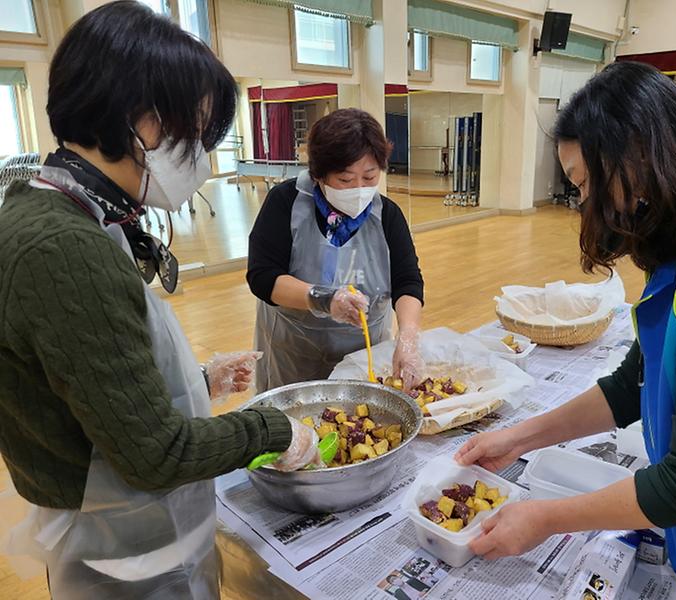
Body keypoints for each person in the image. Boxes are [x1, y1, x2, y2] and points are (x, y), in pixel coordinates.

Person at [0, 3, 319, 598]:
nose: (199, 154)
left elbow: (86, 379)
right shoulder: (63, 248)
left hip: (127, 526)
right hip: (123, 548)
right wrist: (273, 430)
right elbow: (156, 455)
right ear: (139, 120)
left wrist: (196, 382)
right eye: (193, 131)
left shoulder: (67, 211)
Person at [455, 61, 676, 598]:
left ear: (635, 155)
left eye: (584, 183)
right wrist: (516, 437)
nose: (584, 205)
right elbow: (635, 383)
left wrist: (544, 518)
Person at [248, 108, 425, 392]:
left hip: (362, 355)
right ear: (319, 174)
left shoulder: (387, 215)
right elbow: (263, 277)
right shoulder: (285, 202)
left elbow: (408, 282)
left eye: (369, 177)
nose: (359, 188)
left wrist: (408, 338)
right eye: (345, 179)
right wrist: (324, 299)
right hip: (295, 353)